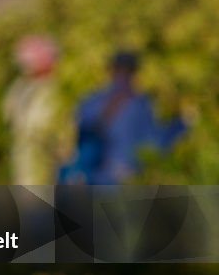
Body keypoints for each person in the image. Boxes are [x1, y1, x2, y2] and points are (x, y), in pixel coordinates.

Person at [59, 50, 185, 185]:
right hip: (121, 178)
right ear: (134, 73)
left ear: (111, 70)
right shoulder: (140, 104)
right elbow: (155, 143)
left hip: (89, 177)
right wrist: (180, 125)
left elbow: (76, 138)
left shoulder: (90, 101)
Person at [2, 34, 65, 184]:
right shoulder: (21, 87)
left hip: (47, 153)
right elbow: (10, 115)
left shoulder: (55, 87)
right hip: (27, 153)